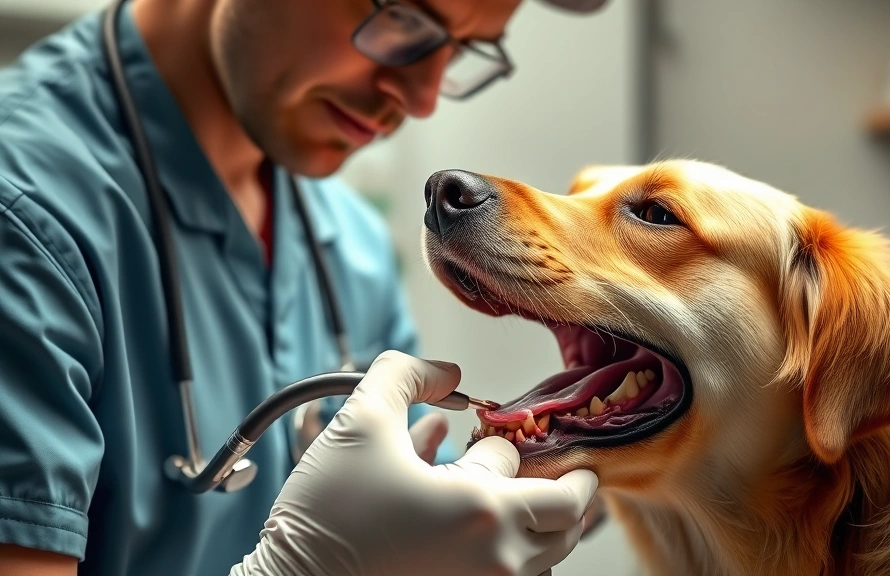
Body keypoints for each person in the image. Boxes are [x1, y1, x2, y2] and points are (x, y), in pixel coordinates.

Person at [0, 0, 608, 574]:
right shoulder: (25, 219)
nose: (421, 99)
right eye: (400, 16)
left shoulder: (351, 249)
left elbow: (408, 504)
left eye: (463, 49)